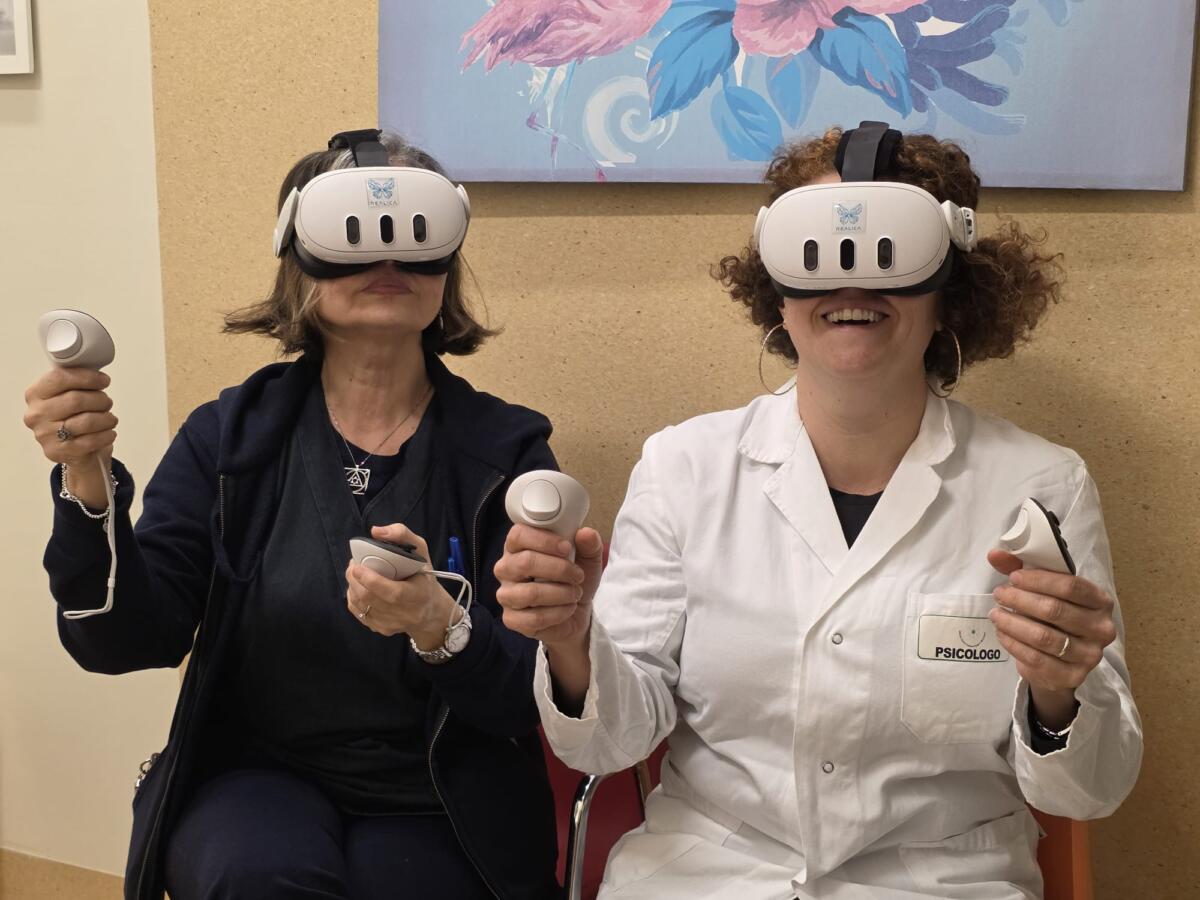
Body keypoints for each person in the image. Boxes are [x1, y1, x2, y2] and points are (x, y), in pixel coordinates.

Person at [495, 124, 1142, 899]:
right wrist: (572, 641)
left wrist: (1059, 691)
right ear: (776, 286)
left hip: (940, 881)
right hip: (709, 875)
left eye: (890, 255)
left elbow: (1087, 792)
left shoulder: (1039, 485)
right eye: (819, 254)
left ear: (951, 288)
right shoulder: (685, 467)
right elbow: (610, 744)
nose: (852, 286)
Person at [23, 131, 560, 900]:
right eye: (352, 235)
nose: (388, 258)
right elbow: (123, 639)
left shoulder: (506, 454)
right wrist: (86, 478)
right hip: (259, 774)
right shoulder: (229, 440)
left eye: (416, 238)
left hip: (444, 791)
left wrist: (442, 627)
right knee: (259, 874)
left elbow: (530, 695)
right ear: (299, 259)